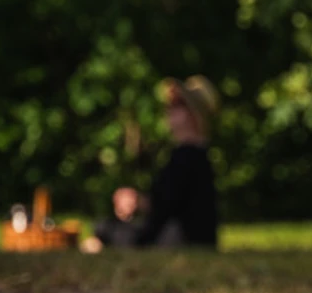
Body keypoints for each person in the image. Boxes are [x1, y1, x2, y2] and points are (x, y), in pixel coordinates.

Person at [83, 76, 220, 252]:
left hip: (178, 241)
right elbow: (170, 201)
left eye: (177, 104)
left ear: (193, 115)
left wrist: (138, 208)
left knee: (106, 228)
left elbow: (164, 208)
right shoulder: (196, 156)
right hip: (186, 239)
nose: (168, 109)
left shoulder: (187, 156)